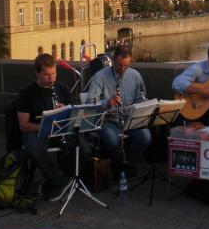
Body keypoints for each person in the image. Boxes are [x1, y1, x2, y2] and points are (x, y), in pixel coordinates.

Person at [86, 45, 151, 177]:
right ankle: (118, 165)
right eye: (119, 65)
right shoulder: (100, 77)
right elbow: (89, 103)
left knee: (145, 138)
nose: (122, 69)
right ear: (113, 60)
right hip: (107, 119)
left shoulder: (135, 76)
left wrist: (142, 108)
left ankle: (126, 165)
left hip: (128, 118)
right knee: (113, 141)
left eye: (126, 65)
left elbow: (140, 99)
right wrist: (107, 103)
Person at [17, 53, 72, 200]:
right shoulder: (27, 93)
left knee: (83, 146)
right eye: (47, 75)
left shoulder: (63, 89)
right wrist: (44, 124)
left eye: (54, 73)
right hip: (37, 132)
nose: (51, 78)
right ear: (37, 73)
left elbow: (73, 116)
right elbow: (23, 126)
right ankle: (60, 181)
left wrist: (65, 110)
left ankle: (70, 177)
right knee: (33, 147)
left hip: (60, 130)